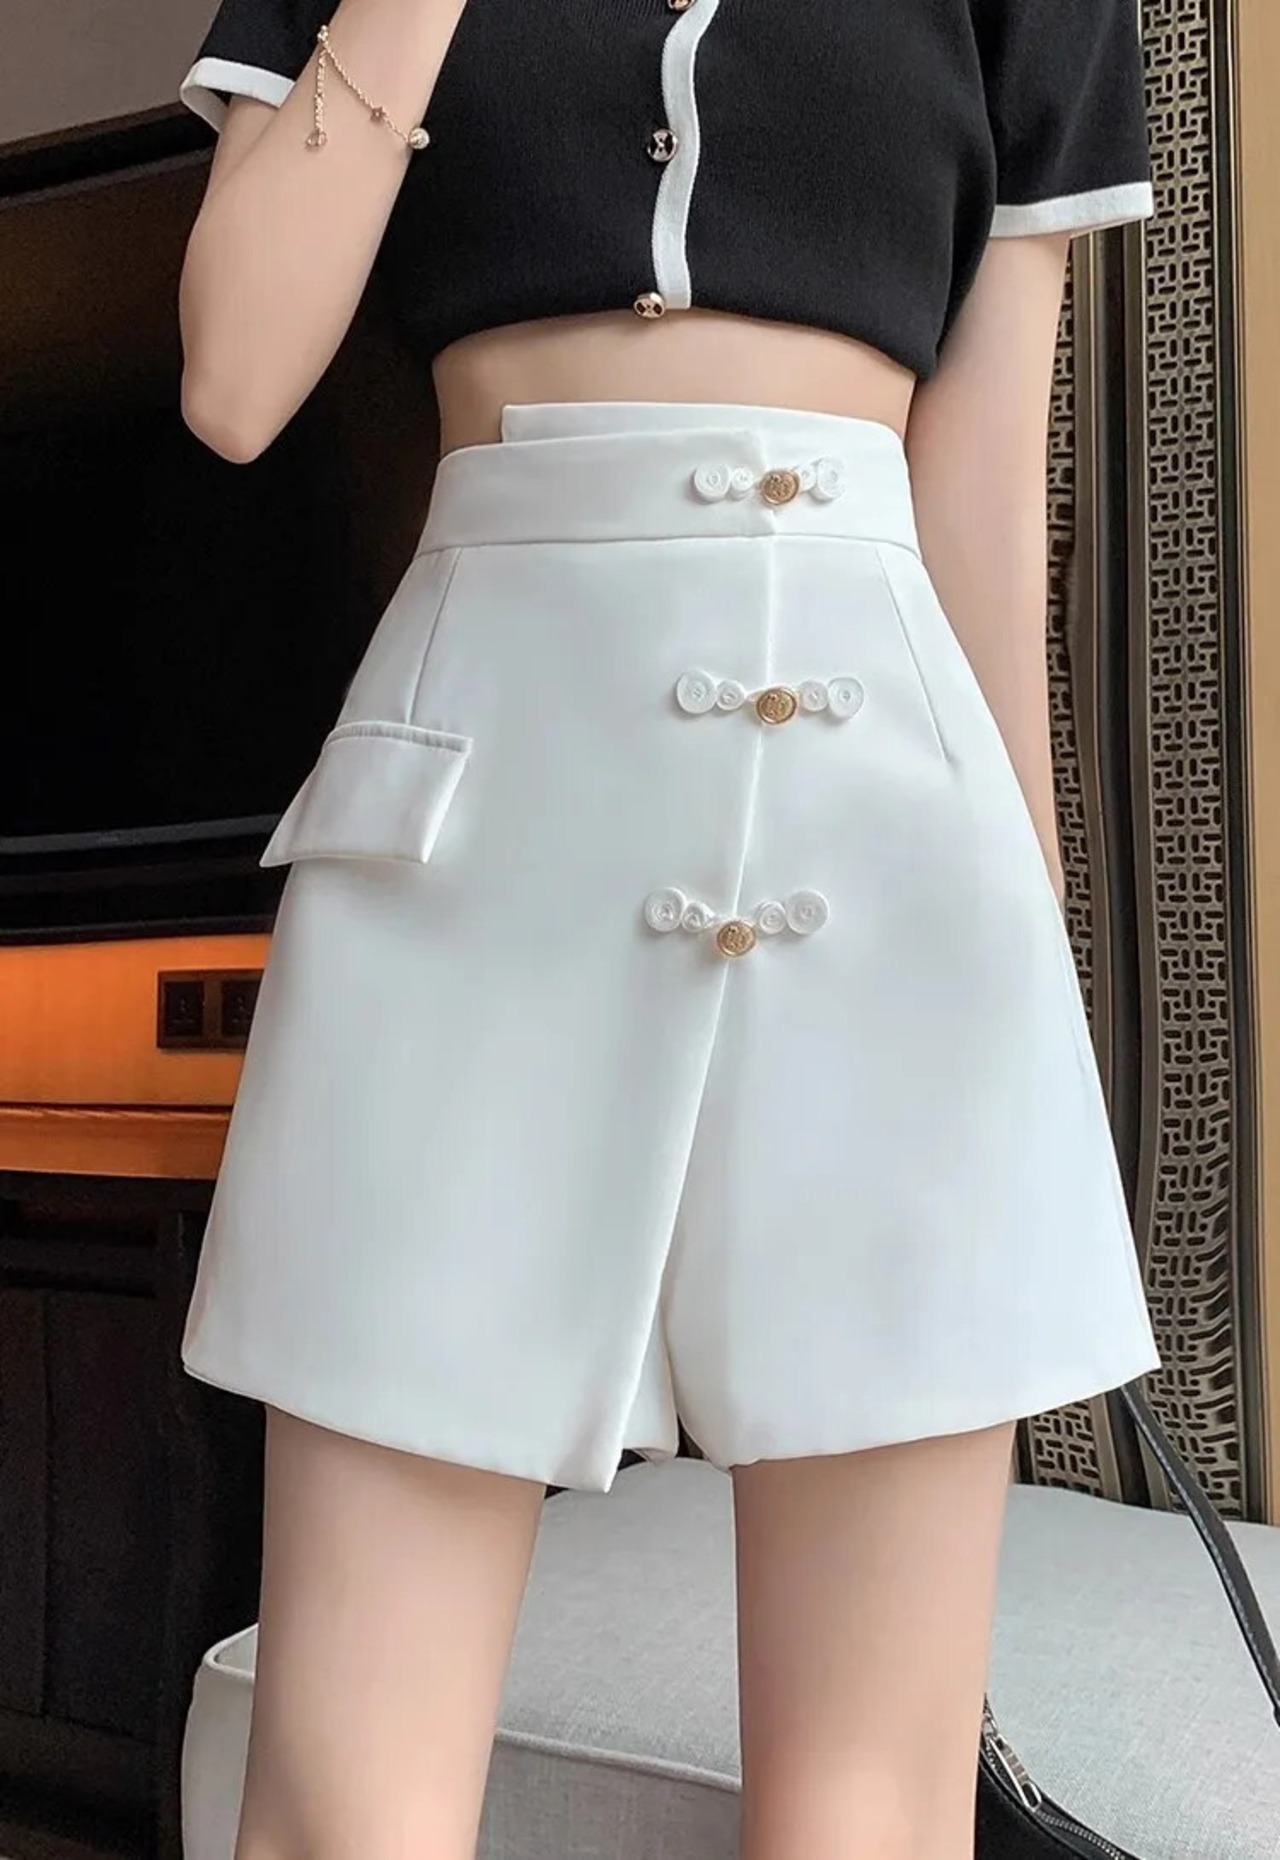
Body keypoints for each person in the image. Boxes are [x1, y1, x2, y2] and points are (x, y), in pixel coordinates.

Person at [175, 5, 1161, 1858]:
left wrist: (1022, 946)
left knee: (872, 1804)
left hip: (893, 824)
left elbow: (981, 494)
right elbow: (232, 374)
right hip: (471, 830)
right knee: (344, 1798)